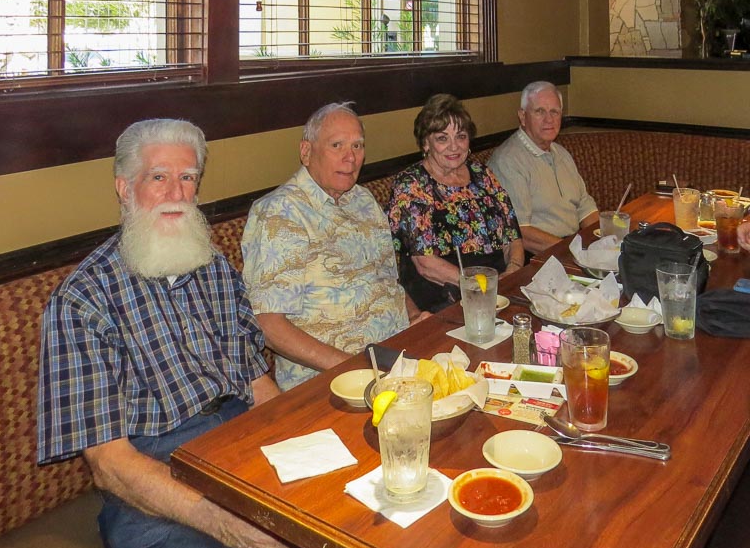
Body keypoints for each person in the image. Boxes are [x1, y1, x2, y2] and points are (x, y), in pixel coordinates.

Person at [37, 119, 308, 548]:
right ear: (125, 188)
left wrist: (303, 446)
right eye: (158, 177)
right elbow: (110, 464)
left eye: (188, 178)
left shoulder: (215, 267)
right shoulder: (82, 301)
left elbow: (256, 383)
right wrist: (228, 523)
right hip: (152, 481)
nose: (176, 192)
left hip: (239, 445)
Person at [241, 102, 427, 391]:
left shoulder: (363, 201)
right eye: (337, 145)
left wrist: (415, 317)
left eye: (357, 146)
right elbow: (268, 324)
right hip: (329, 379)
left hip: (398, 356)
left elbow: (388, 284)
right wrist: (355, 367)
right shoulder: (280, 213)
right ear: (306, 152)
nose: (350, 158)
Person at [387, 93, 524, 313]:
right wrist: (481, 285)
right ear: (425, 143)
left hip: (498, 287)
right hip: (444, 294)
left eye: (460, 136)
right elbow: (425, 263)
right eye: (442, 138)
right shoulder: (412, 185)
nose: (454, 147)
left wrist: (513, 271)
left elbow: (512, 235)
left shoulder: (483, 175)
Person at [488, 81, 599, 256]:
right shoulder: (509, 161)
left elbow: (585, 207)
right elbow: (520, 232)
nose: (549, 119)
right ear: (523, 117)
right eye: (539, 111)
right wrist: (575, 252)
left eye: (554, 111)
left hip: (569, 246)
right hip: (536, 256)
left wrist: (602, 242)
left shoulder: (561, 153)